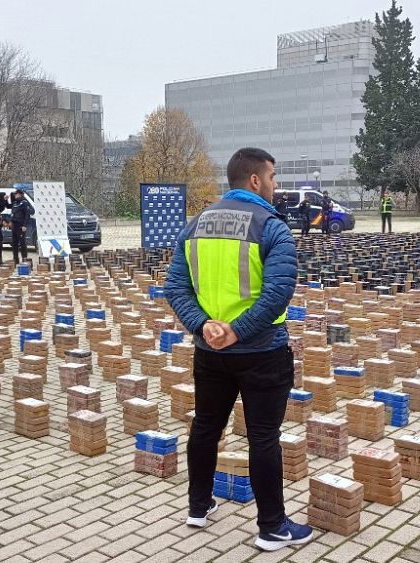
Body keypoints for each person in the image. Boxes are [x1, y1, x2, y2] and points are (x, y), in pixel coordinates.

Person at [165, 147, 312, 552]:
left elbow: (175, 287)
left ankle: (198, 506)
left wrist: (204, 326)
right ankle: (271, 527)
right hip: (262, 351)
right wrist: (238, 330)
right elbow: (279, 292)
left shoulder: (193, 226)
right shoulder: (272, 227)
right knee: (264, 437)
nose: (275, 185)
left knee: (206, 427)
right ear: (254, 180)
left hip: (210, 352)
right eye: (273, 177)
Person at [8, 189, 32, 264]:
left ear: (20, 194)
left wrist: (25, 225)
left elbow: (27, 215)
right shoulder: (15, 203)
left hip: (21, 226)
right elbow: (9, 206)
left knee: (22, 243)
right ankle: (16, 260)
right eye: (15, 194)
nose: (15, 195)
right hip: (14, 225)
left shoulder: (24, 203)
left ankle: (24, 259)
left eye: (16, 194)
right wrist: (5, 200)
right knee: (14, 243)